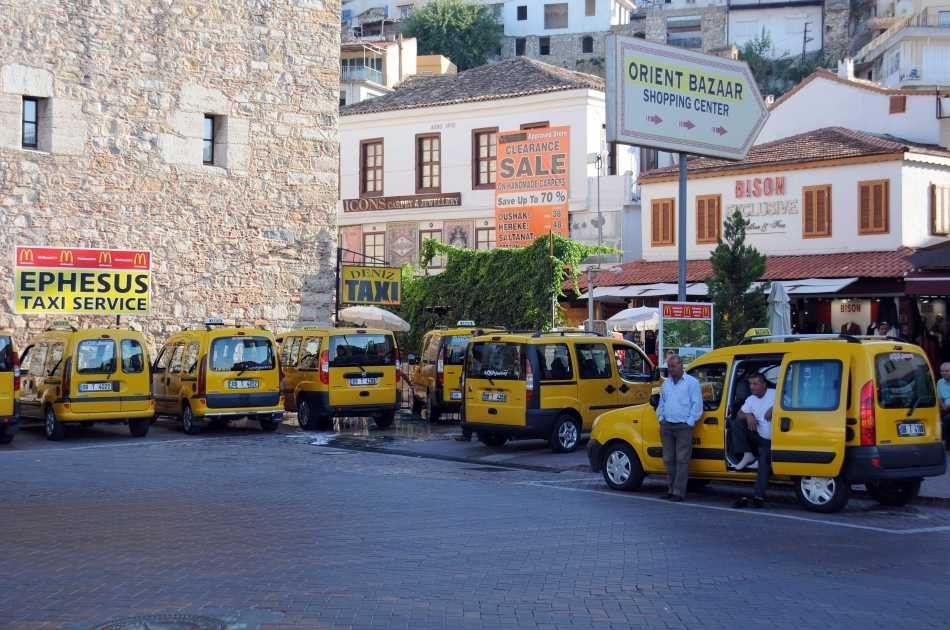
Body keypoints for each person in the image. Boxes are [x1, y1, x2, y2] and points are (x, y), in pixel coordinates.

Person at [656, 354, 702, 502]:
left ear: (681, 366)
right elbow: (662, 403)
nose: (671, 369)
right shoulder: (666, 384)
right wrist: (661, 418)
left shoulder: (691, 383)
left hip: (683, 426)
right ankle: (670, 489)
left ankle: (678, 492)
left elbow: (697, 404)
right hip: (667, 425)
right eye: (669, 366)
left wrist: (689, 422)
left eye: (673, 366)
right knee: (668, 459)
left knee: (682, 460)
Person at [733, 373, 776, 509]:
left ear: (764, 384)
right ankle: (747, 454)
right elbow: (739, 413)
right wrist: (748, 415)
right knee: (735, 422)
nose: (752, 387)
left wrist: (775, 408)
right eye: (750, 384)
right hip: (757, 436)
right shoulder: (751, 399)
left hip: (772, 441)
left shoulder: (775, 394)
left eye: (755, 384)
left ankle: (758, 496)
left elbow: (792, 401)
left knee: (764, 463)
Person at [938, 362, 950, 450]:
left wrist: (947, 406)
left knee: (947, 419)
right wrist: (943, 406)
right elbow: (939, 397)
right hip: (944, 408)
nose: (944, 373)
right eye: (942, 371)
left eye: (947, 371)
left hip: (948, 407)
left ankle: (947, 443)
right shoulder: (940, 382)